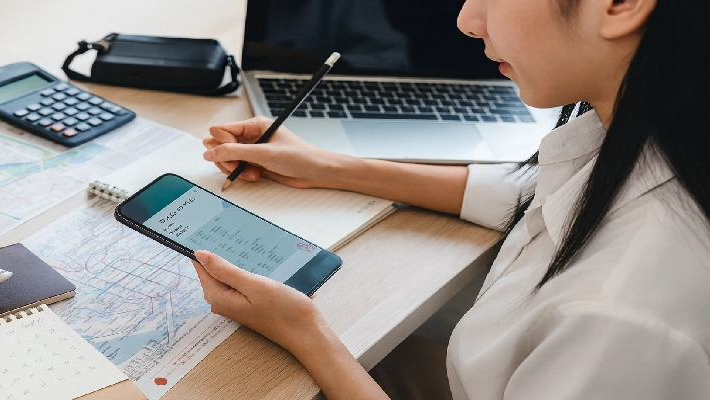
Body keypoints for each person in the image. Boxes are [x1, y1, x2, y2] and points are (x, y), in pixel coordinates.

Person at [192, 0, 710, 398]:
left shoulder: (618, 317)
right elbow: (531, 193)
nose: (467, 20)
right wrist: (329, 166)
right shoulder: (661, 136)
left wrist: (305, 332)